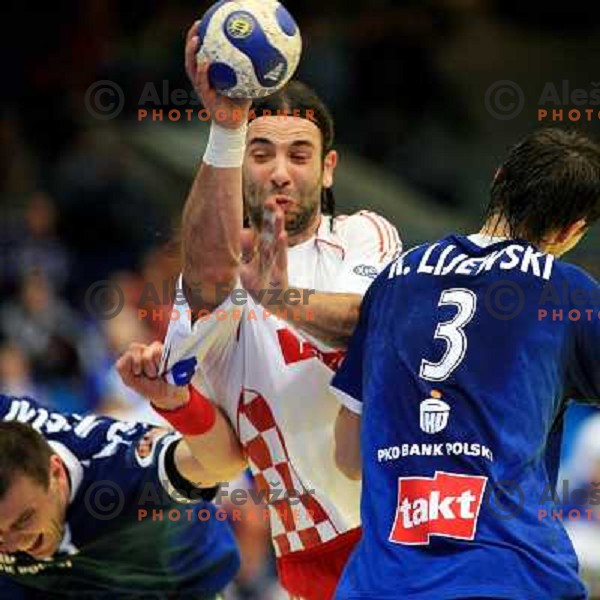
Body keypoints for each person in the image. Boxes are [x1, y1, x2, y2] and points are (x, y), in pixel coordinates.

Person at [124, 23, 401, 600]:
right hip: (309, 558)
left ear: (327, 170)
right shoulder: (210, 291)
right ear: (239, 167)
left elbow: (370, 324)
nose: (280, 171)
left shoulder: (364, 235)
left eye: (299, 154)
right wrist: (178, 405)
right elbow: (226, 461)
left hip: (401, 526)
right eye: (260, 152)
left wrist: (281, 299)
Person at [331, 128, 600, 599]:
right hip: (513, 575)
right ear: (570, 230)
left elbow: (348, 456)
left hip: (384, 581)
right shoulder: (566, 291)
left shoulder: (395, 279)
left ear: (497, 180)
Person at [0, 348, 244, 600]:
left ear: (56, 473)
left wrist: (181, 404)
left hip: (171, 580)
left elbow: (226, 462)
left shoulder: (120, 468)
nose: (12, 545)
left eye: (24, 519)